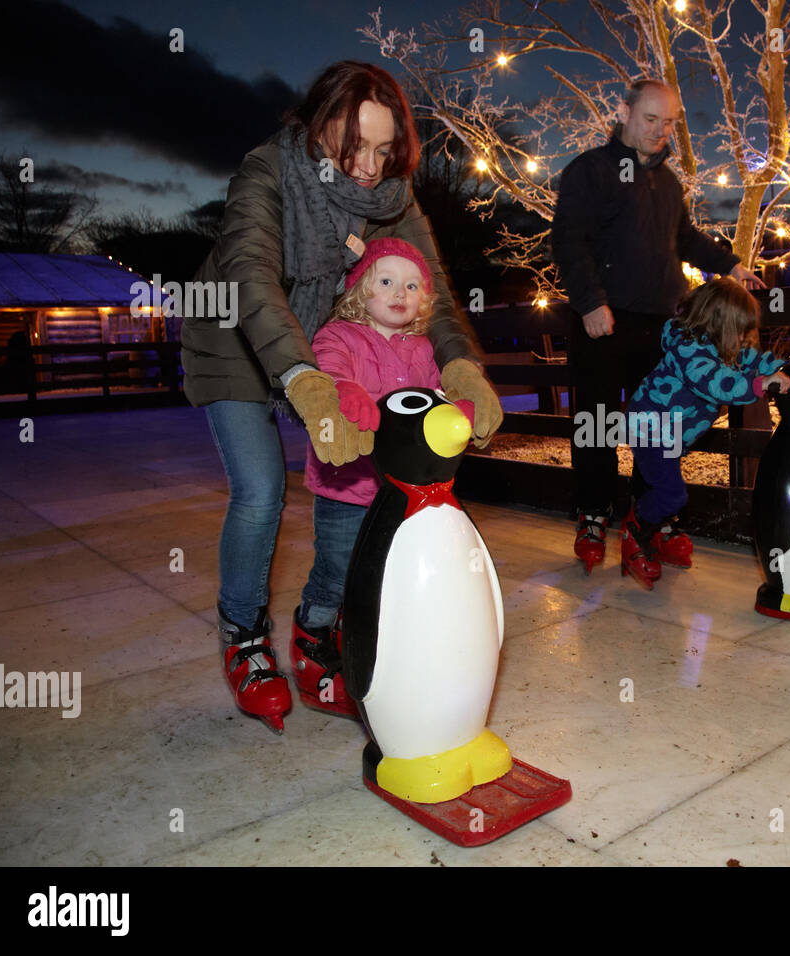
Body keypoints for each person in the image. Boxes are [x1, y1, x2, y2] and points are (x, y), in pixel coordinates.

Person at [180, 61, 502, 733]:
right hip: (238, 339)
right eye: (356, 143)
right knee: (263, 490)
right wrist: (304, 384)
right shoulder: (266, 171)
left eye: (384, 149)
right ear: (318, 118)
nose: (368, 164)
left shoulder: (394, 197)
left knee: (356, 486)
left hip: (328, 347)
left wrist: (463, 369)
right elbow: (250, 278)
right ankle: (243, 636)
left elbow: (431, 293)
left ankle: (316, 634)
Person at [551, 78, 764, 574]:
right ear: (623, 111)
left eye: (669, 122)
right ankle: (592, 515)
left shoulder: (667, 182)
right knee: (597, 425)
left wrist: (730, 265)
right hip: (602, 320)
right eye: (651, 119)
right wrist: (589, 303)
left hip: (663, 326)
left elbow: (684, 238)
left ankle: (650, 519)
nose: (660, 131)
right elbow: (568, 242)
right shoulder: (590, 171)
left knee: (660, 426)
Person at [291, 236, 472, 718]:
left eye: (411, 285)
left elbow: (431, 396)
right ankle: (312, 642)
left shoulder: (420, 346)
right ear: (359, 291)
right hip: (347, 485)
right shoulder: (339, 335)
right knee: (338, 568)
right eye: (386, 281)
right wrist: (343, 389)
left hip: (399, 489)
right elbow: (327, 369)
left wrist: (454, 409)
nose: (399, 292)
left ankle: (372, 646)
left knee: (386, 574)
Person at [621, 278, 789, 588]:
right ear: (718, 324)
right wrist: (758, 385)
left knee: (662, 489)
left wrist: (789, 369)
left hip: (671, 434)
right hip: (650, 427)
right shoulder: (690, 350)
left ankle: (656, 528)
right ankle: (635, 531)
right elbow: (717, 383)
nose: (742, 337)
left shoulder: (725, 346)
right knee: (672, 494)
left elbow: (757, 360)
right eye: (739, 330)